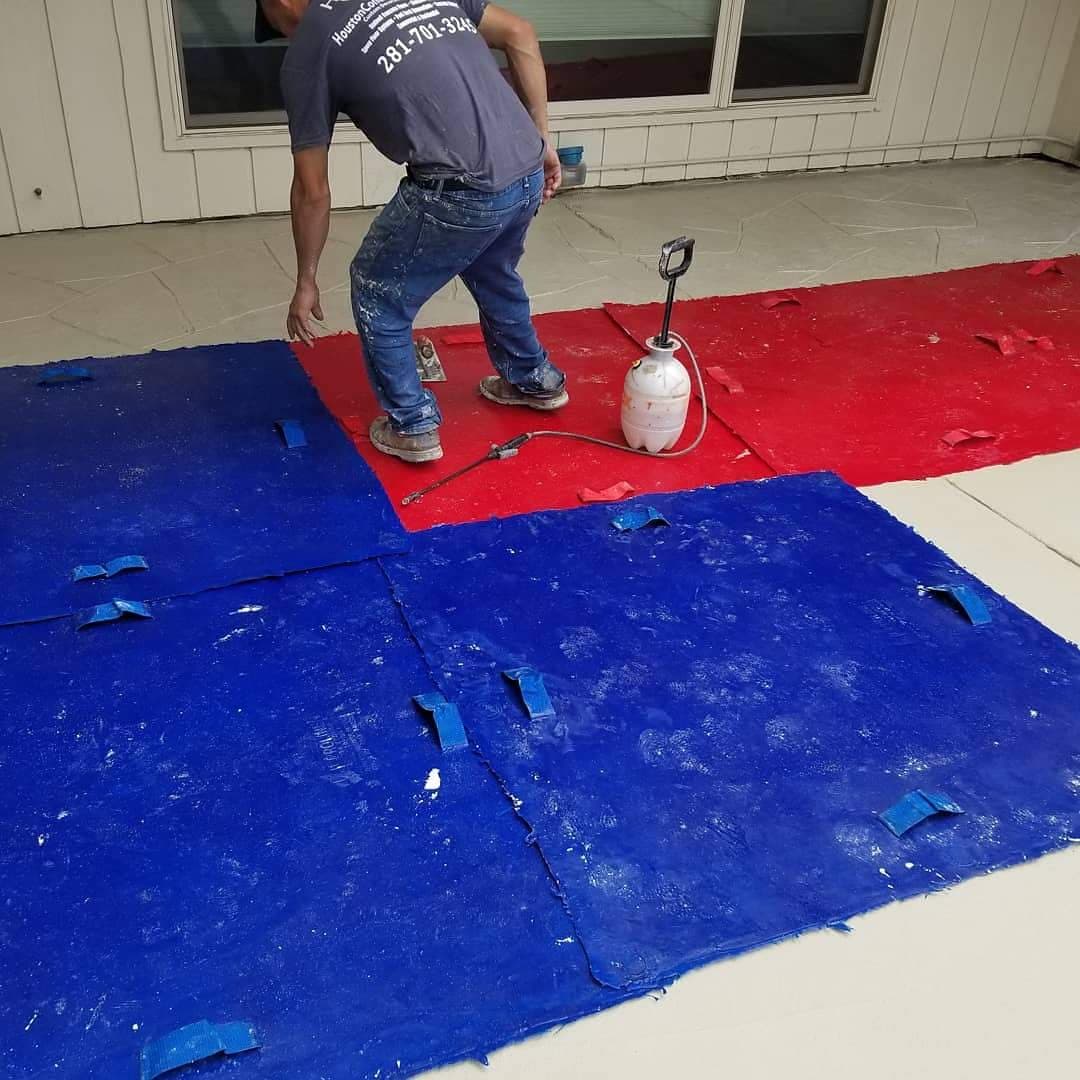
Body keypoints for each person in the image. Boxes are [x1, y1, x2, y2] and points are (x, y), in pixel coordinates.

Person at [255, 0, 569, 463]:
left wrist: (306, 279)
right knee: (492, 268)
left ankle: (413, 425)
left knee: (377, 288)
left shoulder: (310, 47)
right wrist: (541, 140)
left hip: (461, 189)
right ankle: (534, 379)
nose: (284, 34)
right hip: (524, 169)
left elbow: (312, 189)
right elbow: (520, 33)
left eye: (275, 25)